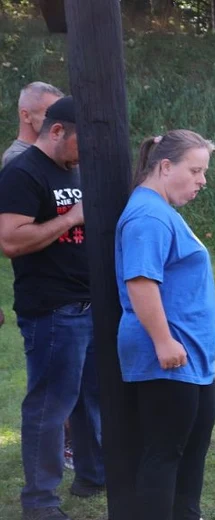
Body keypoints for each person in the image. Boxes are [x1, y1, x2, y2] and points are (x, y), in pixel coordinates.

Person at [116, 130, 215, 520]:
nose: (202, 180)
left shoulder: (160, 211)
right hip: (164, 352)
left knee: (195, 438)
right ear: (165, 167)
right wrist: (164, 341)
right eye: (196, 170)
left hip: (191, 353)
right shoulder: (146, 217)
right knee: (165, 448)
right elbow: (141, 283)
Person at [0, 96, 105, 520]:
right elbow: (11, 240)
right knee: (49, 404)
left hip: (91, 302)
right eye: (83, 141)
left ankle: (93, 476)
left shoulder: (75, 168)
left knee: (92, 398)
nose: (87, 152)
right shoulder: (22, 173)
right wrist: (72, 218)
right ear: (57, 130)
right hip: (52, 309)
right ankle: (40, 501)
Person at [2, 81, 75, 471]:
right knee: (51, 391)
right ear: (26, 115)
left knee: (74, 382)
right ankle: (57, 455)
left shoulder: (66, 162)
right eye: (48, 114)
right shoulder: (18, 164)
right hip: (45, 296)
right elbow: (10, 237)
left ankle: (77, 448)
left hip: (75, 295)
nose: (54, 121)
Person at [2, 82, 63, 169]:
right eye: (50, 114)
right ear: (26, 116)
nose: (58, 122)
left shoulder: (58, 152)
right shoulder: (16, 157)